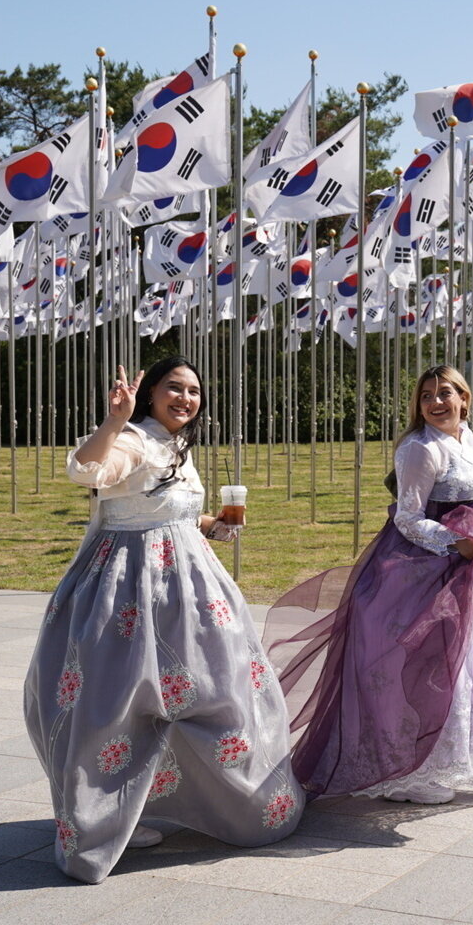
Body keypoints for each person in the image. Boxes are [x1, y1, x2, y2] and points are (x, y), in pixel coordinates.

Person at [24, 358, 301, 884]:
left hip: (187, 591)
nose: (185, 398)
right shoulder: (132, 439)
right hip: (130, 592)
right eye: (174, 388)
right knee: (120, 704)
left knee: (206, 691)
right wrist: (113, 421)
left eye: (194, 391)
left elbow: (158, 507)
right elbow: (86, 471)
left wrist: (209, 525)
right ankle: (104, 818)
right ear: (150, 393)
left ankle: (154, 805)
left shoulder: (174, 446)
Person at [266, 364, 473, 805]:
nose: (436, 403)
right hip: (427, 565)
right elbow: (408, 517)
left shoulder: (466, 437)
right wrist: (453, 542)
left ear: (465, 399)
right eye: (426, 396)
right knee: (446, 667)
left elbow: (469, 496)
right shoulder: (419, 450)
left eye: (445, 394)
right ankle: (419, 770)